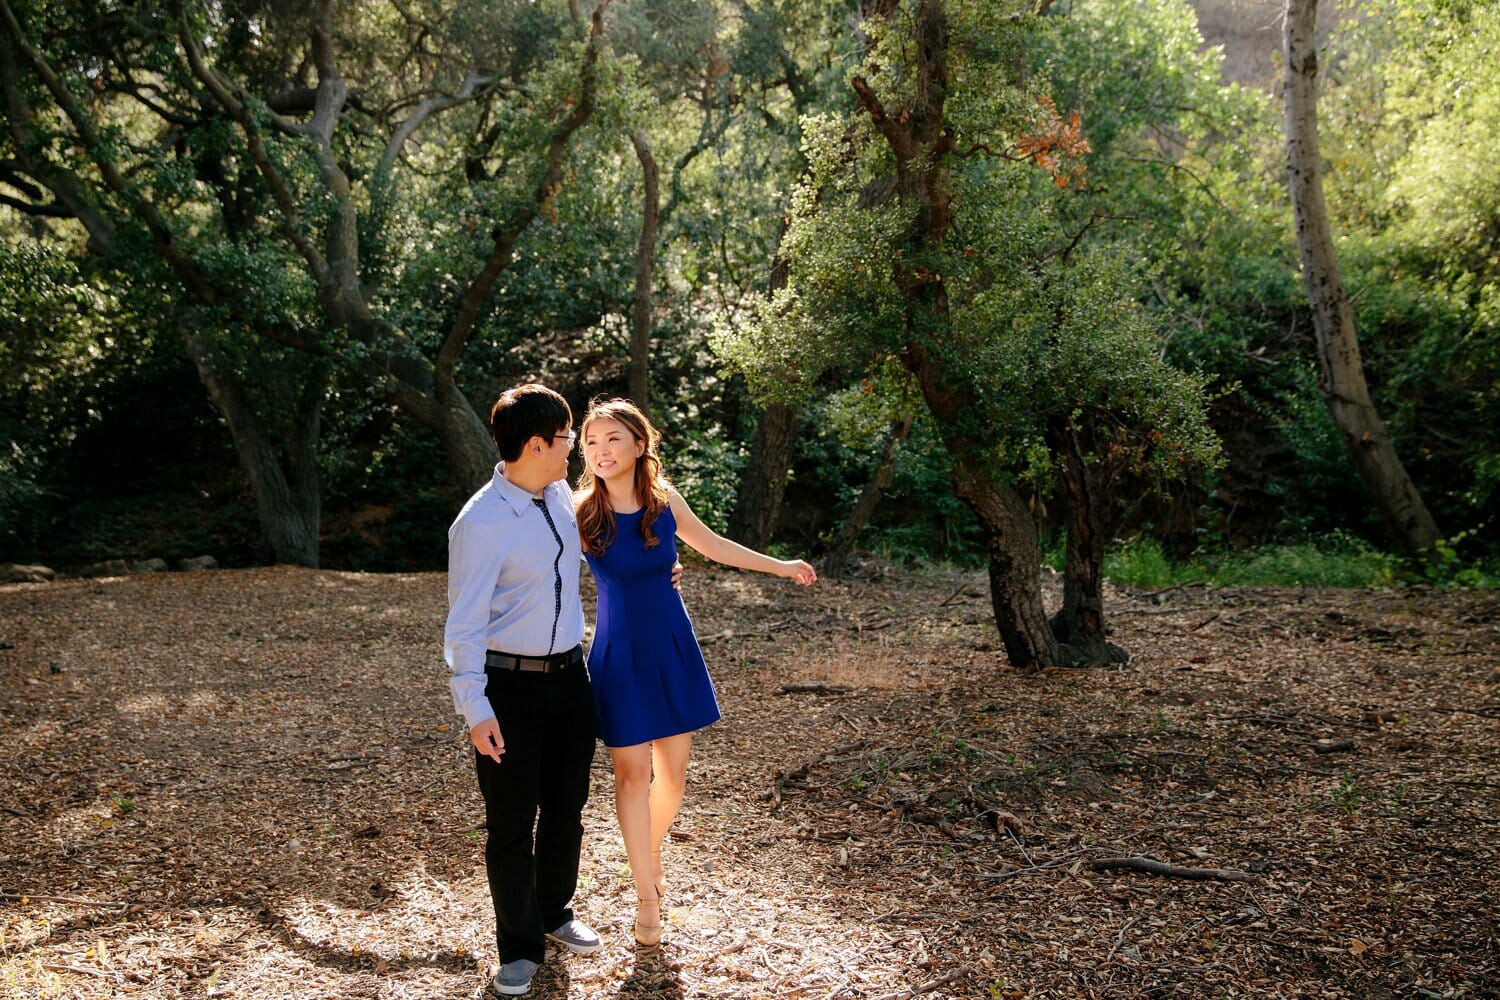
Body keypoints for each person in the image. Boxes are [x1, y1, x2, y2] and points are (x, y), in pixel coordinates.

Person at [573, 397, 817, 948]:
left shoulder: (665, 502)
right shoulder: (581, 510)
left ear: (639, 444)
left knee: (674, 778)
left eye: (613, 439)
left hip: (672, 647)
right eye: (591, 442)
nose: (601, 451)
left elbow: (716, 547)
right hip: (619, 655)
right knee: (631, 777)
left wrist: (780, 566)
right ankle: (645, 895)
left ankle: (649, 850)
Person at [443, 384, 602, 997]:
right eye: (566, 437)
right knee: (512, 821)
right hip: (509, 690)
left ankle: (555, 911)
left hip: (571, 678)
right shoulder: (479, 522)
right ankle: (518, 946)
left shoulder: (560, 493)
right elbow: (464, 623)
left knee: (567, 808)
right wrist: (474, 708)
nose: (573, 448)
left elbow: (585, 556)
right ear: (536, 444)